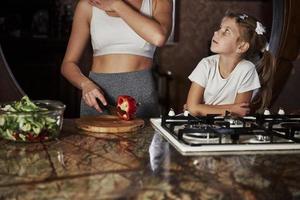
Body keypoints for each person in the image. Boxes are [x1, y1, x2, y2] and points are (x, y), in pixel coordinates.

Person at [61, 0, 173, 118]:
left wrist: (116, 4)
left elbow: (158, 37)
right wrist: (86, 85)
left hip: (140, 98)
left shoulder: (157, 2)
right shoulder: (88, 4)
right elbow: (68, 64)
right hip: (98, 97)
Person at [186, 11, 274, 117]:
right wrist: (230, 109)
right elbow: (192, 108)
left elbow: (239, 112)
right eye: (220, 28)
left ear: (241, 47)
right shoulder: (206, 64)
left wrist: (202, 108)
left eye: (227, 31)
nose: (216, 32)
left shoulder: (247, 70)